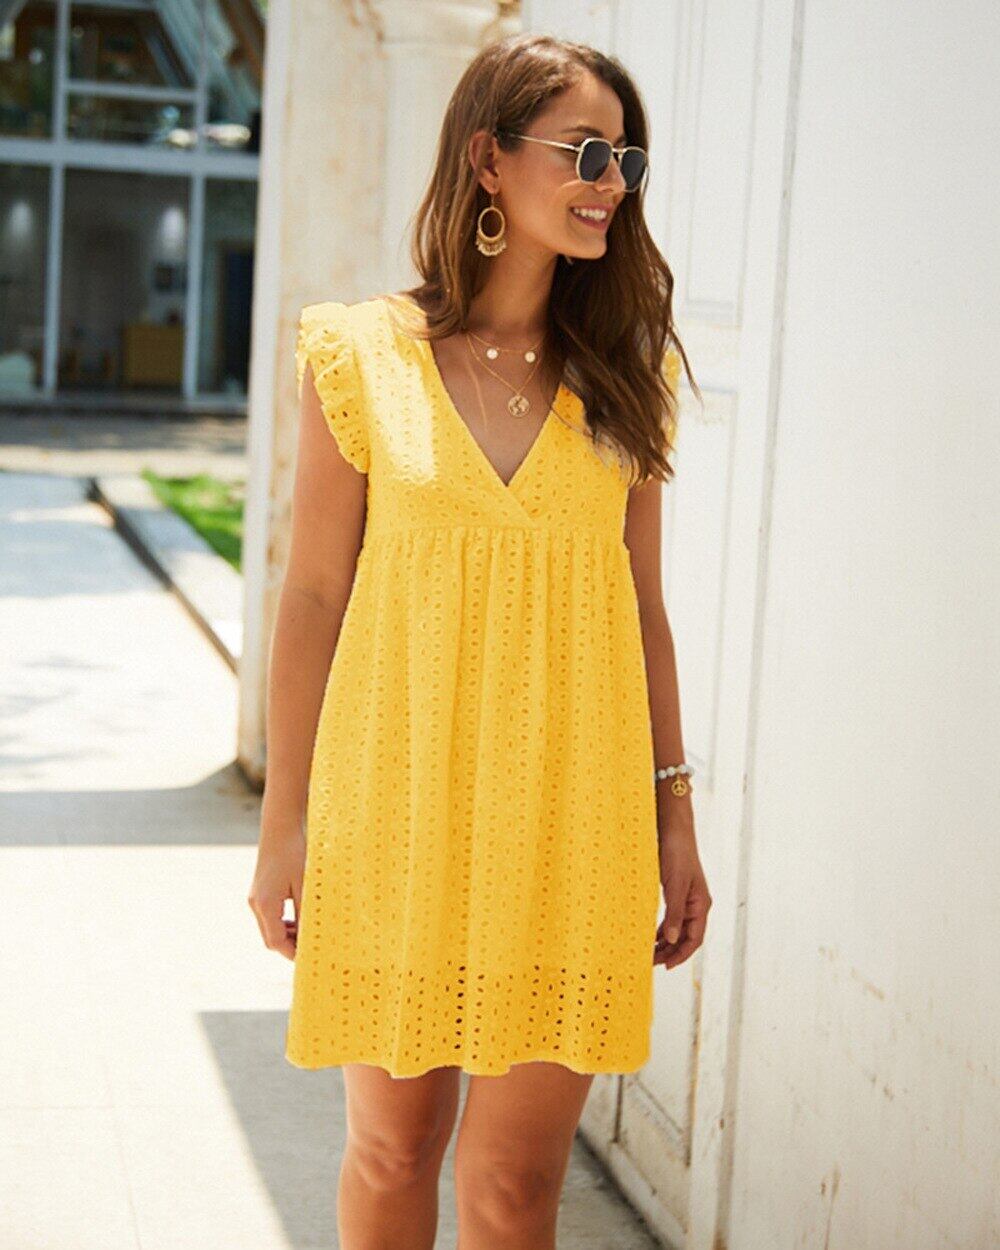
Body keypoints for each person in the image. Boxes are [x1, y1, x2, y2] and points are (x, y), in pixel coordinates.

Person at [248, 30, 712, 1250]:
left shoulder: (628, 376)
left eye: (626, 159)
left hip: (572, 824)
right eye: (586, 151)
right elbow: (312, 596)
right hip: (393, 811)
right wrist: (284, 820)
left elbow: (644, 608)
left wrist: (674, 816)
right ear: (488, 160)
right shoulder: (361, 354)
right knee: (393, 1148)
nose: (611, 182)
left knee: (512, 1186)